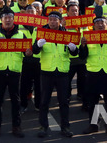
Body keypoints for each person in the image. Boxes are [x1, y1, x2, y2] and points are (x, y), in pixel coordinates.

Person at [78, 14, 107, 137]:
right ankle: (93, 125)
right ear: (93, 25)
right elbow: (82, 56)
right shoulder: (88, 37)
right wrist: (82, 46)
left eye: (102, 22)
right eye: (97, 23)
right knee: (92, 102)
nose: (100, 24)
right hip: (93, 72)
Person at [32, 10, 77, 138]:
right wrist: (38, 45)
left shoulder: (66, 33)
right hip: (47, 70)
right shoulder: (42, 33)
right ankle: (43, 126)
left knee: (64, 101)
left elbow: (74, 53)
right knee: (44, 101)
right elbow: (35, 50)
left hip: (62, 71)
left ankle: (65, 127)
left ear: (60, 21)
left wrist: (73, 48)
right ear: (48, 20)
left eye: (55, 20)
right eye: (50, 19)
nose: (52, 22)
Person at [0, 8, 30, 138]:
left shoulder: (21, 35)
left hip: (14, 71)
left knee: (15, 101)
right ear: (1, 19)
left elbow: (26, 53)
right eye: (5, 17)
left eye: (10, 17)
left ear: (13, 19)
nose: (7, 19)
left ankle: (16, 126)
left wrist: (28, 53)